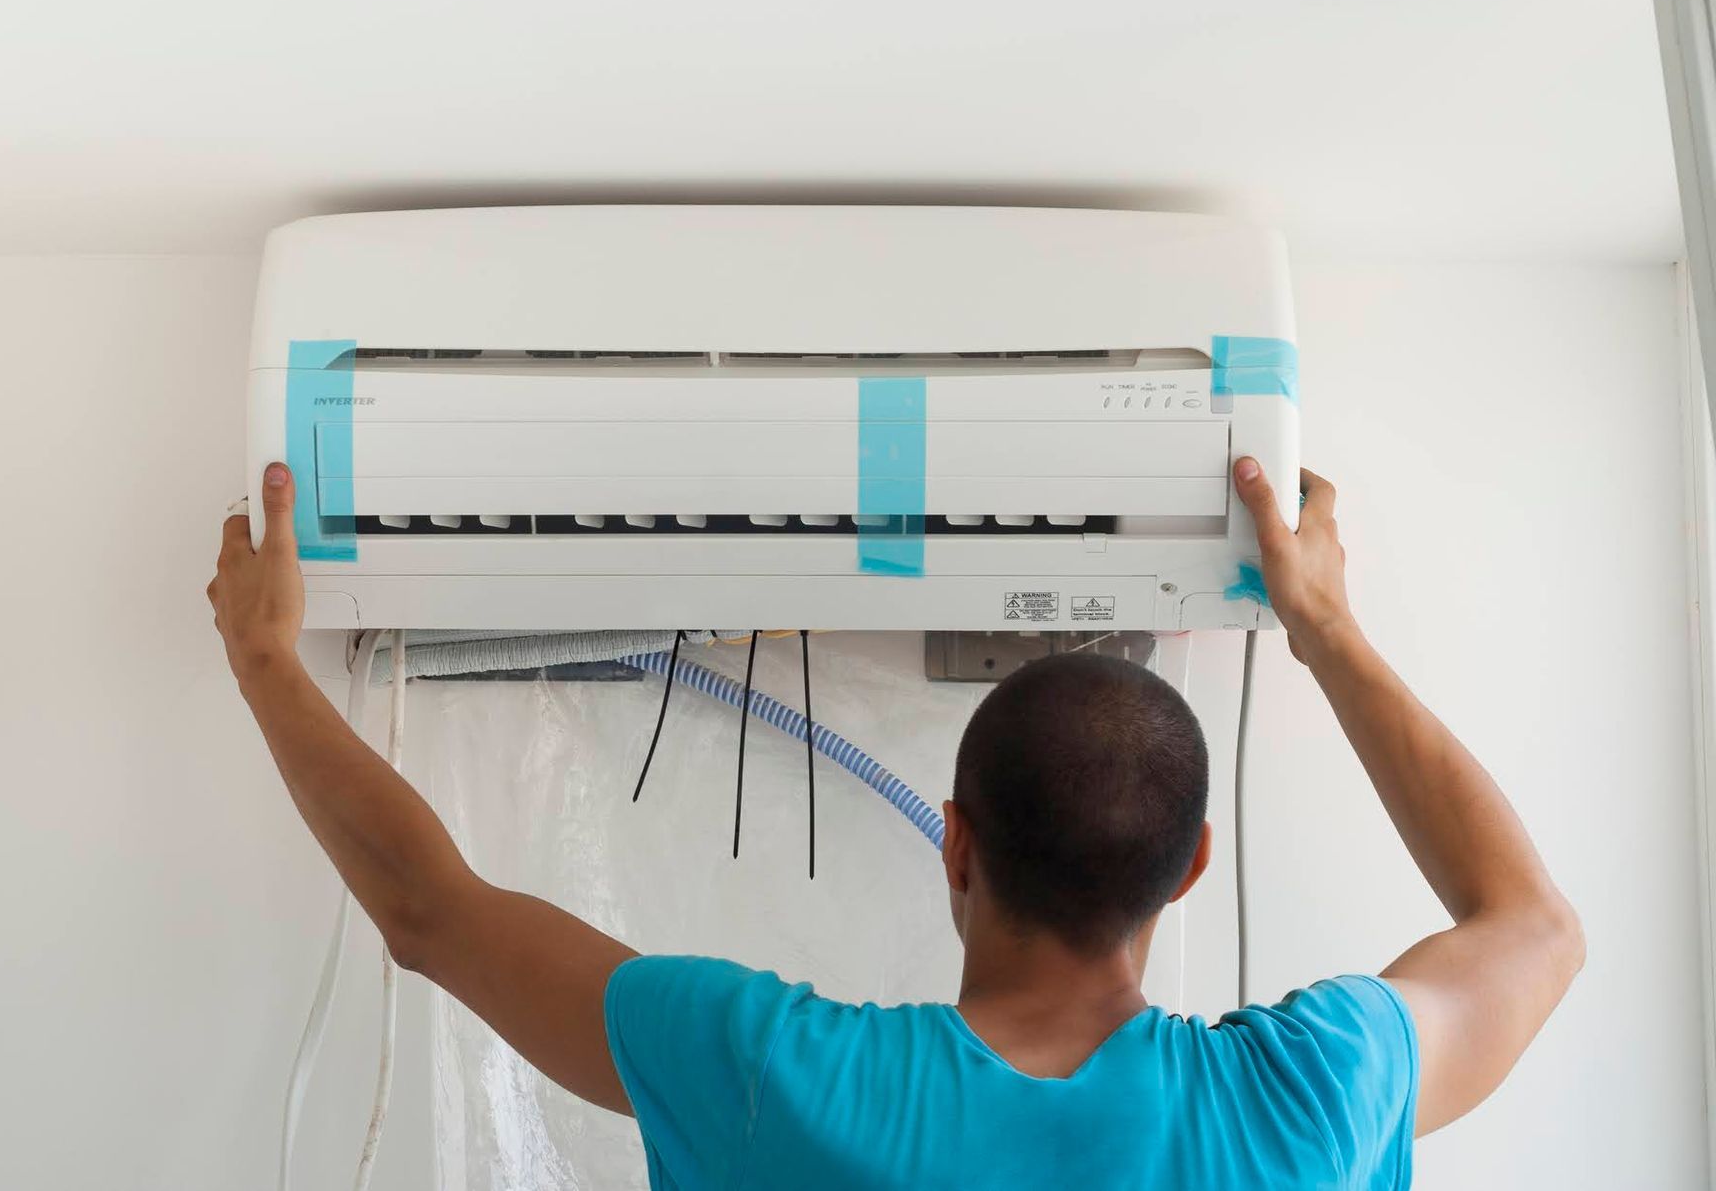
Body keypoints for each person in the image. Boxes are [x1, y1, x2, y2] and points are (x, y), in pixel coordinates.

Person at [208, 456, 1583, 1189]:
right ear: (1189, 870)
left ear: (957, 845)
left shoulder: (779, 1081)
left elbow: (431, 910)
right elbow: (1532, 927)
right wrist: (1323, 624)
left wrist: (270, 660)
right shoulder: (1314, 1099)